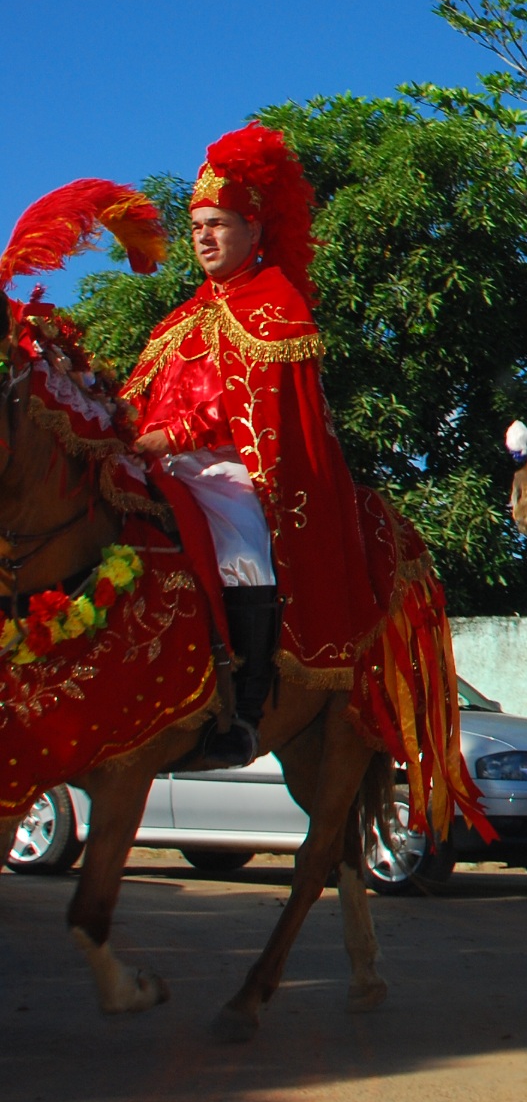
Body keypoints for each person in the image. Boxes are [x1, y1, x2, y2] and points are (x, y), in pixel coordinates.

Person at [122, 124, 385, 767]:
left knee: (243, 546)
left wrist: (170, 436)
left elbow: (249, 405)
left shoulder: (278, 305)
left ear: (254, 229)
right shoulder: (179, 318)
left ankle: (243, 711)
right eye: (197, 228)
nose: (205, 238)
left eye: (218, 224)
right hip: (157, 462)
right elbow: (138, 393)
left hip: (229, 469)